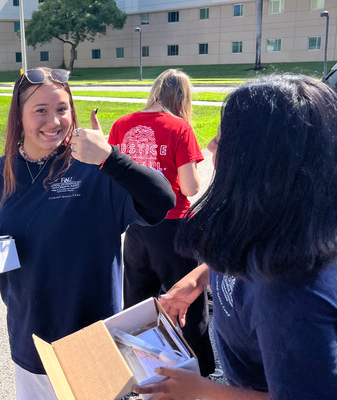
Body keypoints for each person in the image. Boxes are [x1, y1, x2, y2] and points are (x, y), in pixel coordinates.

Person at [0, 67, 175, 399]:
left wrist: (110, 158)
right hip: (30, 339)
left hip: (92, 342)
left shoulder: (93, 166)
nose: (54, 121)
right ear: (19, 115)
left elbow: (162, 200)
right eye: (41, 111)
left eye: (62, 109)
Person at [136, 75, 337, 400]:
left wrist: (201, 390)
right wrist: (200, 278)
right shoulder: (281, 216)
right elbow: (249, 252)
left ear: (265, 162)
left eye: (225, 138)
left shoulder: (290, 297)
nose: (212, 145)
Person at [107, 69, 214, 376]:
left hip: (136, 227)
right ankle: (202, 370)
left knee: (137, 307)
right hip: (174, 227)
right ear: (182, 97)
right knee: (188, 305)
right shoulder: (179, 127)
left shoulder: (121, 125)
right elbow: (191, 188)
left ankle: (138, 369)